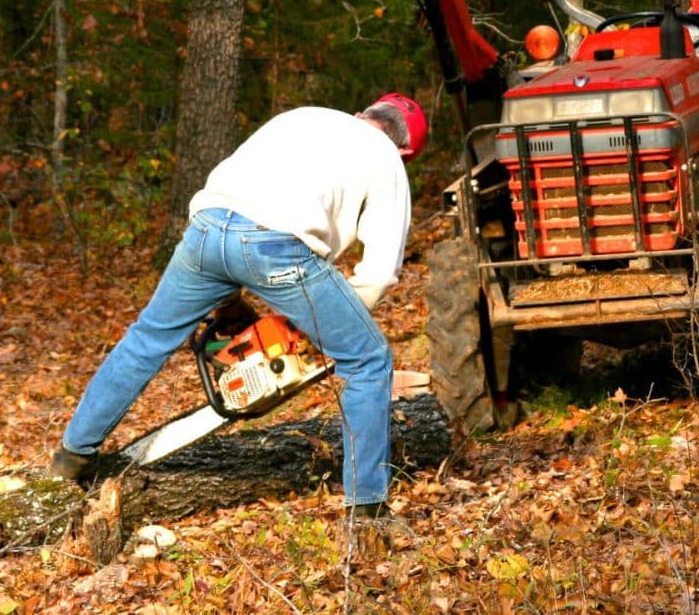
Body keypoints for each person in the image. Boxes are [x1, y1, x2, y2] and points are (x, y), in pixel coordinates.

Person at [48, 94, 427, 518]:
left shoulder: (304, 116)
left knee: (146, 339)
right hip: (278, 249)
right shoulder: (387, 158)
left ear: (364, 114)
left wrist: (230, 305)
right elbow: (378, 273)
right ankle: (368, 509)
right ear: (406, 150)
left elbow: (239, 203)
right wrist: (328, 329)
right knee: (368, 361)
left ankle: (72, 456)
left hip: (206, 230)